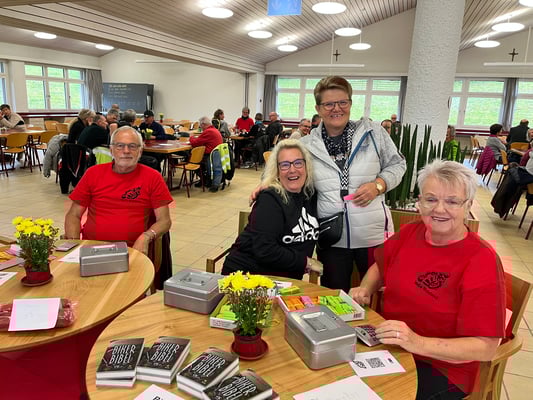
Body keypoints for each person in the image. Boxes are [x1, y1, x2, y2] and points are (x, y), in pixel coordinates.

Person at [350, 160, 505, 400]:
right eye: (431, 199)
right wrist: (365, 288)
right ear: (420, 202)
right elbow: (380, 266)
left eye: (452, 201)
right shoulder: (411, 232)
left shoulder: (481, 260)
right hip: (391, 346)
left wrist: (416, 342)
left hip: (442, 368)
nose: (439, 209)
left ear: (468, 206)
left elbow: (486, 347)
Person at [300, 76, 406, 292]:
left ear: (350, 103)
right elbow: (287, 173)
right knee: (334, 296)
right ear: (318, 109)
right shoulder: (306, 145)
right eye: (329, 104)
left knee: (377, 295)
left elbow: (398, 165)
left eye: (342, 102)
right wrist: (265, 186)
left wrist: (378, 185)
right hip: (332, 237)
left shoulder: (373, 133)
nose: (336, 109)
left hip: (373, 235)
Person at [64, 126, 172, 255]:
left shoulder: (153, 177)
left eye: (132, 146)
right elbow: (74, 215)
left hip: (132, 251)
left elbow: (164, 221)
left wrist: (147, 236)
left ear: (140, 151)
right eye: (120, 146)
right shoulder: (93, 173)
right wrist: (74, 245)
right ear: (111, 150)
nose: (126, 151)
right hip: (92, 249)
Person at [222, 139, 320, 279]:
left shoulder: (311, 194)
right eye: (285, 165)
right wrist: (306, 262)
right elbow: (265, 250)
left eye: (298, 163)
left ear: (306, 166)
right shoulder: (270, 199)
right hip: (247, 276)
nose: (292, 170)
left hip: (284, 279)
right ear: (277, 171)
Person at [190, 116, 223, 190]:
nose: (200, 127)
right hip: (215, 154)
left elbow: (195, 143)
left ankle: (204, 179)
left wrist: (191, 137)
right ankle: (204, 180)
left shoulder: (208, 132)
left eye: (200, 125)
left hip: (209, 155)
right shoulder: (214, 130)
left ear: (203, 124)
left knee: (191, 160)